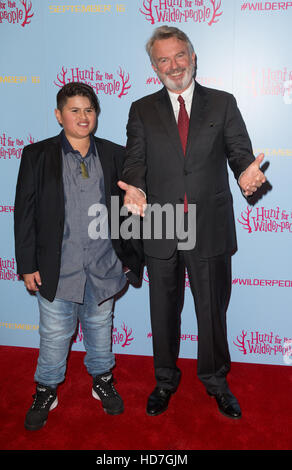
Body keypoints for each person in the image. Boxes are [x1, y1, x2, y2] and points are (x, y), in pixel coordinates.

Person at [118, 26, 266, 419]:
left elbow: (239, 153)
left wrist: (245, 174)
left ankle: (216, 381)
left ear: (193, 56)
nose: (174, 65)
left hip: (210, 225)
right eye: (163, 59)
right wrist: (134, 187)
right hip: (162, 225)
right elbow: (135, 160)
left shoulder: (222, 103)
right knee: (163, 312)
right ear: (154, 67)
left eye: (179, 55)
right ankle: (164, 380)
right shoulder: (141, 109)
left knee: (212, 313)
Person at [14, 82, 142, 431]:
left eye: (89, 109)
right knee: (55, 334)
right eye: (74, 110)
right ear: (59, 115)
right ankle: (46, 388)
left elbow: (127, 212)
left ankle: (102, 379)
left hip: (104, 266)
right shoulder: (37, 155)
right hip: (57, 268)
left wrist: (130, 257)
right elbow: (24, 213)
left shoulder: (116, 154)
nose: (83, 116)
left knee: (100, 328)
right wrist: (27, 265)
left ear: (96, 114)